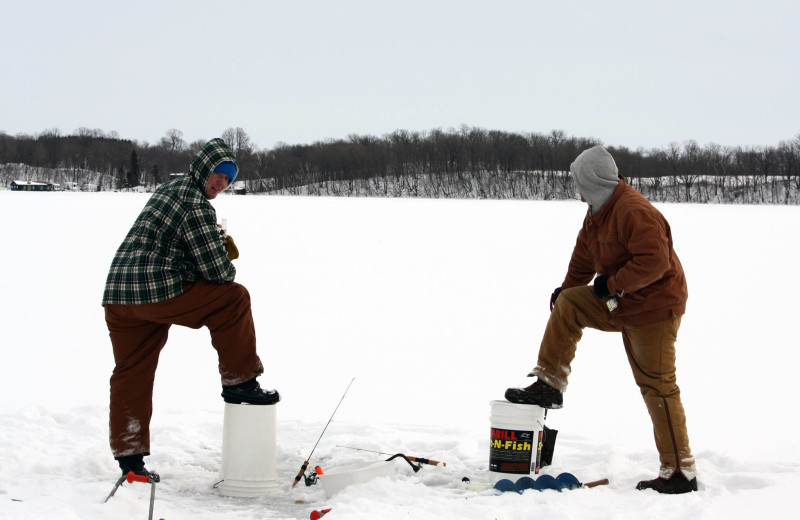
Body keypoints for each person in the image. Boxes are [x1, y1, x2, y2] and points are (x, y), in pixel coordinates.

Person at [505, 145, 697, 494]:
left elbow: (656, 263)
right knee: (570, 303)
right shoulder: (597, 212)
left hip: (654, 308)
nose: (575, 189)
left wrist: (613, 283)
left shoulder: (634, 212)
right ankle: (550, 383)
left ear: (591, 181)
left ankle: (680, 471)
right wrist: (566, 290)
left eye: (578, 181)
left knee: (657, 386)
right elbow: (582, 260)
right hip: (622, 301)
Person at [102, 138, 279, 481]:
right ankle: (240, 380)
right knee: (233, 299)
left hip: (120, 297)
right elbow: (219, 273)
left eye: (228, 180)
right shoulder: (194, 201)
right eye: (218, 174)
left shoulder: (172, 189)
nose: (221, 184)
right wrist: (223, 250)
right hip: (155, 289)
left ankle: (130, 461)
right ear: (202, 168)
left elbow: (172, 245)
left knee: (131, 372)